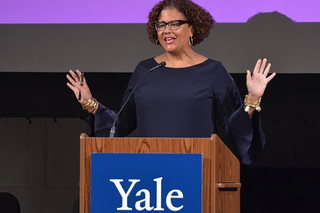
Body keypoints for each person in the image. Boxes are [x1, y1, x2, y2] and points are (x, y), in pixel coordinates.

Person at [66, 0, 276, 165]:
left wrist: (253, 98)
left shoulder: (213, 72)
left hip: (197, 169)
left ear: (192, 28)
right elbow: (122, 124)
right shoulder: (145, 70)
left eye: (175, 24)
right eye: (161, 25)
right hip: (150, 173)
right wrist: (91, 104)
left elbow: (233, 124)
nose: (167, 30)